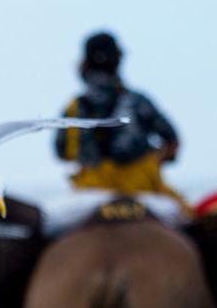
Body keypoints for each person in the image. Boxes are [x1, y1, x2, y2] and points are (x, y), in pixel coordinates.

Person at [55, 31, 193, 215]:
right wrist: (156, 159)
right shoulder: (138, 102)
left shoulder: (74, 108)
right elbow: (172, 140)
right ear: (118, 60)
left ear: (85, 63)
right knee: (189, 221)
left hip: (89, 196)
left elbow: (62, 152)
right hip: (144, 192)